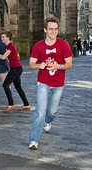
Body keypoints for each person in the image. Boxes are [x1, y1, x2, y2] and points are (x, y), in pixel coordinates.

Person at [28, 16, 72, 149]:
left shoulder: (64, 45)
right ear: (45, 30)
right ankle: (34, 140)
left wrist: (59, 66)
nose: (53, 32)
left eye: (56, 29)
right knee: (40, 111)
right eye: (51, 29)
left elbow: (69, 64)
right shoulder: (38, 46)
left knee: (52, 111)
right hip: (43, 82)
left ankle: (48, 121)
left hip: (58, 84)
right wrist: (39, 66)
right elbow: (31, 64)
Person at [0, 31, 30, 112]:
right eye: (1, 37)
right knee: (18, 87)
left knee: (5, 85)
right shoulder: (9, 46)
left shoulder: (10, 46)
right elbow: (9, 57)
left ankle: (11, 104)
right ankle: (26, 104)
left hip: (15, 69)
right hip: (16, 68)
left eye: (3, 37)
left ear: (8, 38)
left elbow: (3, 57)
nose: (2, 39)